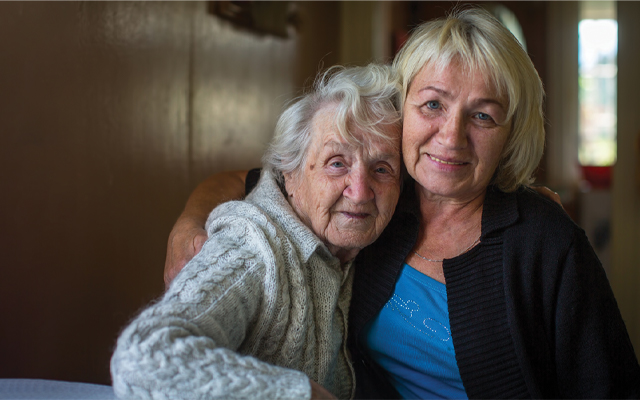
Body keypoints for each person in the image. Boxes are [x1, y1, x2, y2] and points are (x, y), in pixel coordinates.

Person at [164, 8, 640, 399]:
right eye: (433, 104)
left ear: (510, 135)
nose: (451, 138)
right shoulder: (375, 196)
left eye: (482, 115)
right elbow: (251, 180)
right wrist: (187, 224)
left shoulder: (546, 243)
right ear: (403, 107)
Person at [111, 63, 403, 399]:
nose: (361, 191)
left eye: (382, 169)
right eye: (337, 163)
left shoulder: (352, 245)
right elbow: (144, 358)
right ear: (289, 174)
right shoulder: (252, 244)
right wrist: (302, 394)